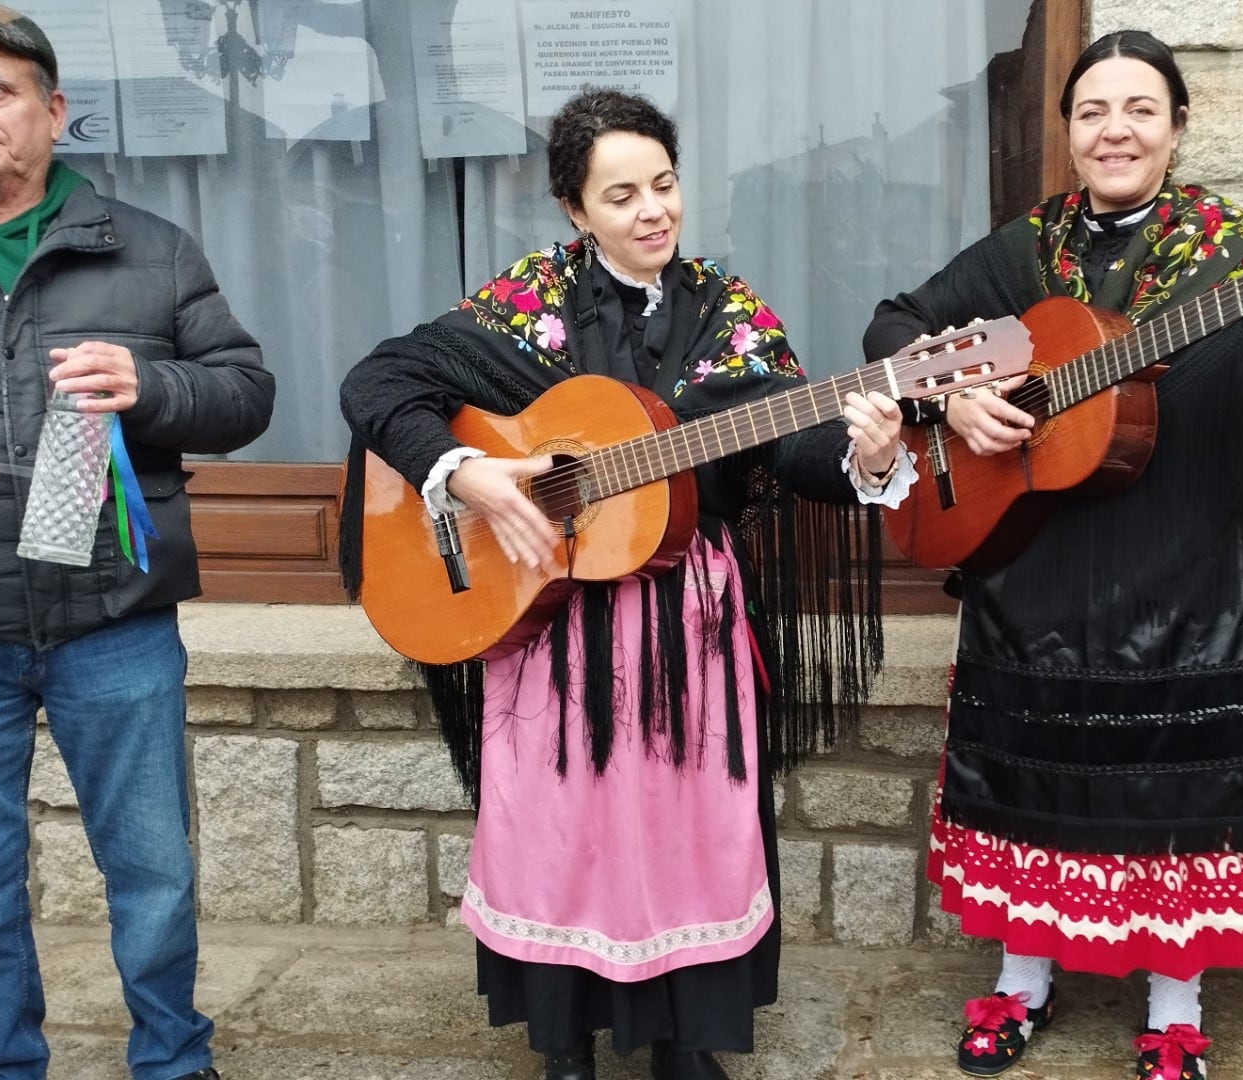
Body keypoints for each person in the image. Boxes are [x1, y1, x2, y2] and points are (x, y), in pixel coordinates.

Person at [338, 88, 910, 1080]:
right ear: (575, 209)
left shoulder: (729, 315)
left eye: (664, 185)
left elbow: (795, 442)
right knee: (565, 837)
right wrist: (464, 470)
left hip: (688, 622)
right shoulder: (524, 307)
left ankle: (684, 1044)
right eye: (621, 195)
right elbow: (379, 383)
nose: (652, 211)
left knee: (687, 835)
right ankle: (567, 1043)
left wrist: (866, 454)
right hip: (552, 626)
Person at [862, 30, 1243, 1080]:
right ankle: (1020, 982)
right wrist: (962, 391)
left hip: (1190, 556)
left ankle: (1174, 1004)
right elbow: (896, 325)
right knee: (1031, 776)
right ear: (1070, 131)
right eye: (1093, 111)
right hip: (1037, 561)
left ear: (1178, 126)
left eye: (1140, 109)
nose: (1115, 130)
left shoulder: (1236, 252)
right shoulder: (1024, 252)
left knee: (1176, 794)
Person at [0, 4, 274, 1079]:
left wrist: (153, 388)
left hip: (114, 621)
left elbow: (244, 393)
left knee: (154, 873)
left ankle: (173, 1060)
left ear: (53, 111)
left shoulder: (151, 248)